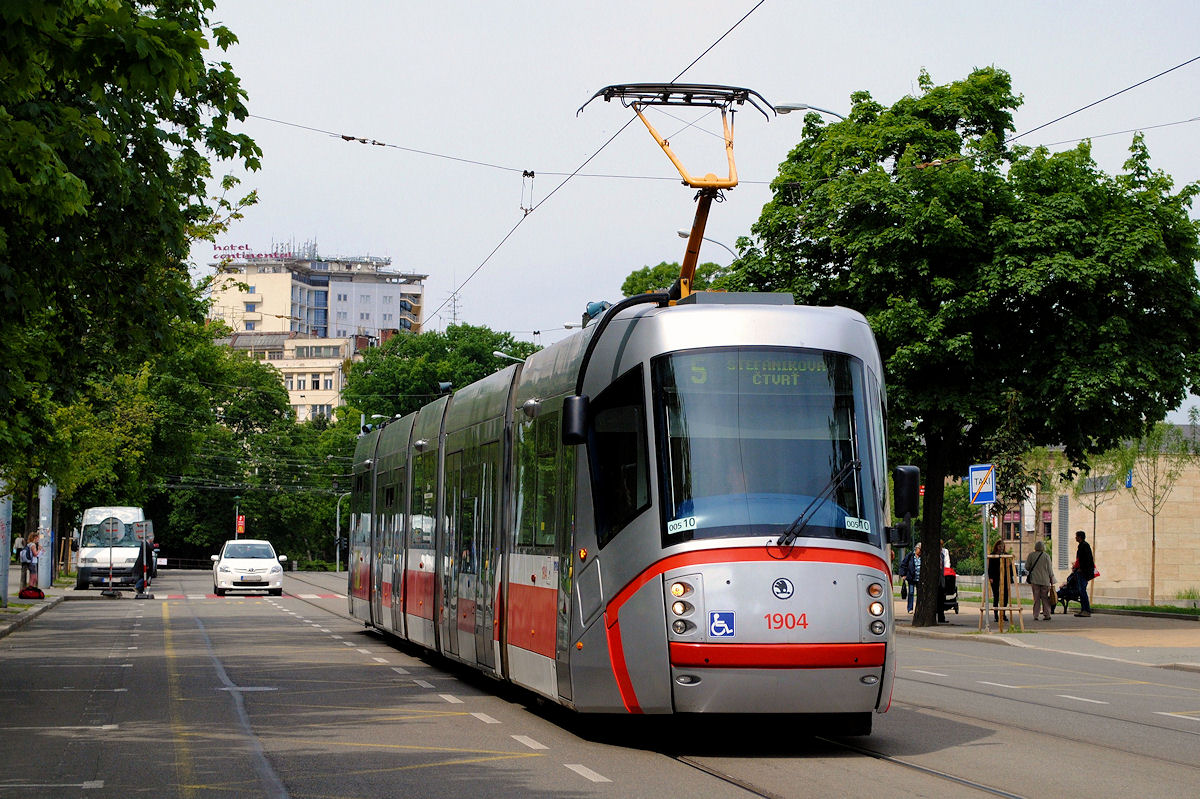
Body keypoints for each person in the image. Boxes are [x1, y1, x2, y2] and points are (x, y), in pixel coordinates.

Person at [1025, 540, 1056, 620]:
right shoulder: (1046, 556)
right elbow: (1049, 569)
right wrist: (1051, 578)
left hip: (1035, 579)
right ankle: (1047, 614)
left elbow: (1027, 567)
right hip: (1045, 580)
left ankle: (1036, 615)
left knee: (1036, 598)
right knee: (1045, 598)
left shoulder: (1031, 555)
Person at [987, 539, 1015, 622]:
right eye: (999, 546)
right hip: (995, 578)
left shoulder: (1006, 555)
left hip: (1005, 578)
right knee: (996, 596)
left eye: (1002, 546)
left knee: (1005, 596)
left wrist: (1010, 577)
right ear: (996, 547)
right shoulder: (992, 556)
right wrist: (990, 577)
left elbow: (1009, 567)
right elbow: (990, 567)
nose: (1001, 548)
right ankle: (996, 615)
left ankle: (1003, 613)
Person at [1074, 530, 1095, 617]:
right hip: (1081, 571)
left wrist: (1081, 568)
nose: (1075, 538)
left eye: (1076, 536)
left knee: (1082, 591)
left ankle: (1086, 610)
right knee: (1081, 591)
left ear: (1080, 537)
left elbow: (1086, 560)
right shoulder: (1081, 546)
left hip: (1083, 572)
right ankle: (1083, 609)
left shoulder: (1084, 546)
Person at [899, 543, 921, 613]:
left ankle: (919, 608)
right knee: (911, 592)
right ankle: (910, 608)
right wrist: (903, 574)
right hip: (911, 577)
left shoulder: (922, 557)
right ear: (916, 548)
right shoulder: (910, 555)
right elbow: (903, 564)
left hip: (919, 578)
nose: (920, 551)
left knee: (920, 593)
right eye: (920, 549)